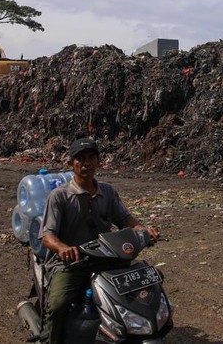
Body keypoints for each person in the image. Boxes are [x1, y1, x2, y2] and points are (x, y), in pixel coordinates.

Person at [39, 137, 160, 344]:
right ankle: (51, 340)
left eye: (90, 158)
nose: (86, 163)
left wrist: (143, 230)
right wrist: (63, 248)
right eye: (80, 159)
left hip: (107, 258)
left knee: (139, 290)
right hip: (72, 263)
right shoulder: (59, 196)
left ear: (98, 161)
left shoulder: (108, 192)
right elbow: (47, 235)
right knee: (59, 304)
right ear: (71, 164)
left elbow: (124, 219)